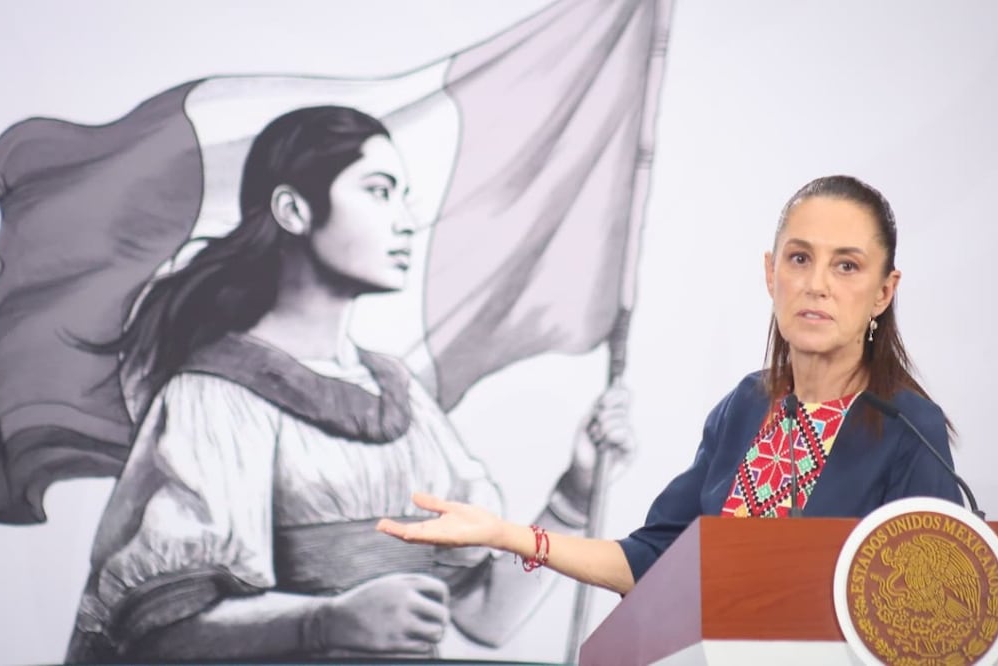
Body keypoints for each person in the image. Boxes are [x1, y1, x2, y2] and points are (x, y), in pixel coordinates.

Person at [63, 105, 632, 662]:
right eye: (379, 191)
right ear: (293, 209)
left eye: (403, 197)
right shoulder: (217, 396)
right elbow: (158, 633)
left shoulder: (401, 398)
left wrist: (572, 495)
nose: (406, 220)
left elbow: (487, 614)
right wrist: (325, 622)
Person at [378, 174, 964, 596]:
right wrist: (508, 535)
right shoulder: (745, 407)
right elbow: (652, 560)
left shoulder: (909, 426)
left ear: (883, 293)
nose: (816, 285)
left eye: (846, 265)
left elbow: (933, 613)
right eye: (799, 259)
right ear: (770, 273)